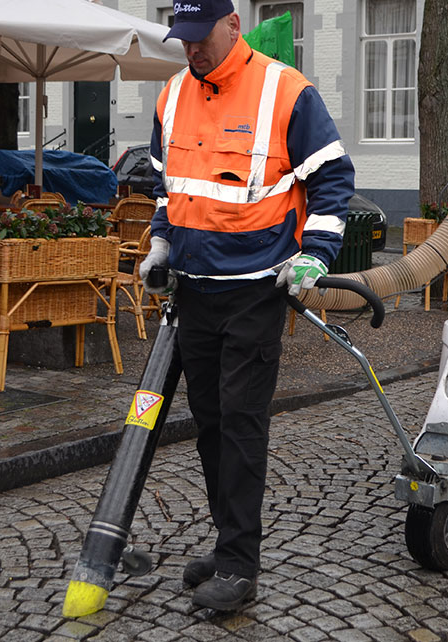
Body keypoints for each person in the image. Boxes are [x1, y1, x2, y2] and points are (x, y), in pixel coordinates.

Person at [139, 0, 355, 611]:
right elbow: (168, 187)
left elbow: (332, 180)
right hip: (192, 292)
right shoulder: (172, 96)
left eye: (200, 37)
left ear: (233, 26)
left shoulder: (286, 92)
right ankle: (228, 542)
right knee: (209, 426)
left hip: (256, 289)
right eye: (181, 39)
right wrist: (159, 242)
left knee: (240, 424)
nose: (191, 50)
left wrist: (315, 252)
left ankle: (239, 565)